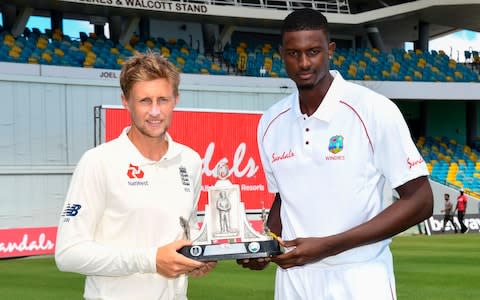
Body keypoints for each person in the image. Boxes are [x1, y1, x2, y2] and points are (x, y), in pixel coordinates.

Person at [238, 8, 433, 300]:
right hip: (294, 280)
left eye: (313, 51)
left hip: (360, 276)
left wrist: (328, 245)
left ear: (330, 50)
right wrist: (265, 246)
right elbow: (284, 197)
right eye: (293, 53)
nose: (304, 62)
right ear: (281, 54)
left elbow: (420, 201)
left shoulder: (373, 109)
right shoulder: (270, 122)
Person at [55, 52, 216, 300]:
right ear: (125, 101)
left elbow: (185, 228)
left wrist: (197, 254)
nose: (155, 112)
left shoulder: (190, 161)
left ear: (176, 99)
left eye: (162, 99)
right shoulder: (98, 162)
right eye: (144, 101)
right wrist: (150, 260)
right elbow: (68, 253)